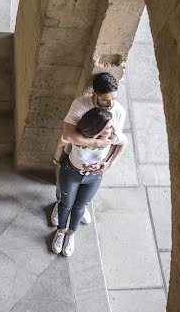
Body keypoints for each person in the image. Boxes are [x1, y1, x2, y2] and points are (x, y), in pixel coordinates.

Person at [50, 72, 128, 227]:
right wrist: (95, 143)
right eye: (105, 99)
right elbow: (67, 134)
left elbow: (115, 140)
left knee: (85, 191)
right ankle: (61, 204)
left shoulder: (119, 111)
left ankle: (80, 206)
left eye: (113, 98)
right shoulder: (81, 104)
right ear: (95, 94)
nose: (110, 104)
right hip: (72, 154)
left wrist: (106, 163)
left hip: (96, 162)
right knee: (63, 185)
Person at [52, 107, 127, 256]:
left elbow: (124, 143)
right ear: (97, 127)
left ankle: (71, 234)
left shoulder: (113, 136)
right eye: (108, 127)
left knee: (80, 206)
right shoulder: (78, 136)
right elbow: (61, 143)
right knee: (66, 204)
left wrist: (108, 164)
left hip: (93, 178)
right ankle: (60, 231)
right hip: (72, 173)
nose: (112, 129)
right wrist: (57, 160)